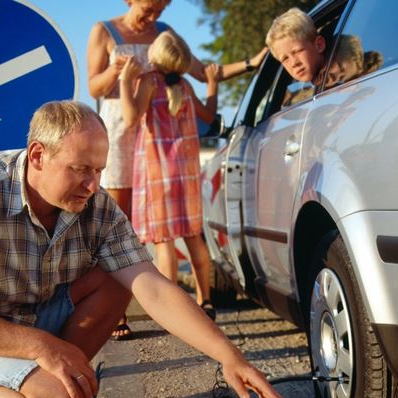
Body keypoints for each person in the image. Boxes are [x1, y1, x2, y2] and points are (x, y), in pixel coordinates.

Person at [0, 101, 285, 398]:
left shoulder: (95, 205)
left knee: (119, 278)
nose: (93, 185)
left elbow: (151, 286)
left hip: (19, 318)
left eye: (100, 170)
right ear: (38, 155)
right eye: (80, 170)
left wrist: (228, 356)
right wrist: (41, 346)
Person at [87, 0, 265, 338]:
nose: (154, 16)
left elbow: (201, 71)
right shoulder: (103, 31)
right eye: (149, 8)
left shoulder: (164, 36)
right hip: (121, 134)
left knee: (155, 231)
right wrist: (118, 72)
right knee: (116, 226)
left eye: (160, 10)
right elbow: (94, 86)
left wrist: (250, 63)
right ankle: (116, 313)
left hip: (150, 140)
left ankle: (169, 307)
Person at [119, 30, 218, 319]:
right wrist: (212, 85)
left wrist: (125, 80)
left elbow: (130, 118)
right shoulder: (185, 85)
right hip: (186, 174)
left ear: (155, 57)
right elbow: (209, 117)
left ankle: (172, 310)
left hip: (157, 171)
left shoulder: (149, 81)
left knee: (164, 243)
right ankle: (206, 300)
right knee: (192, 237)